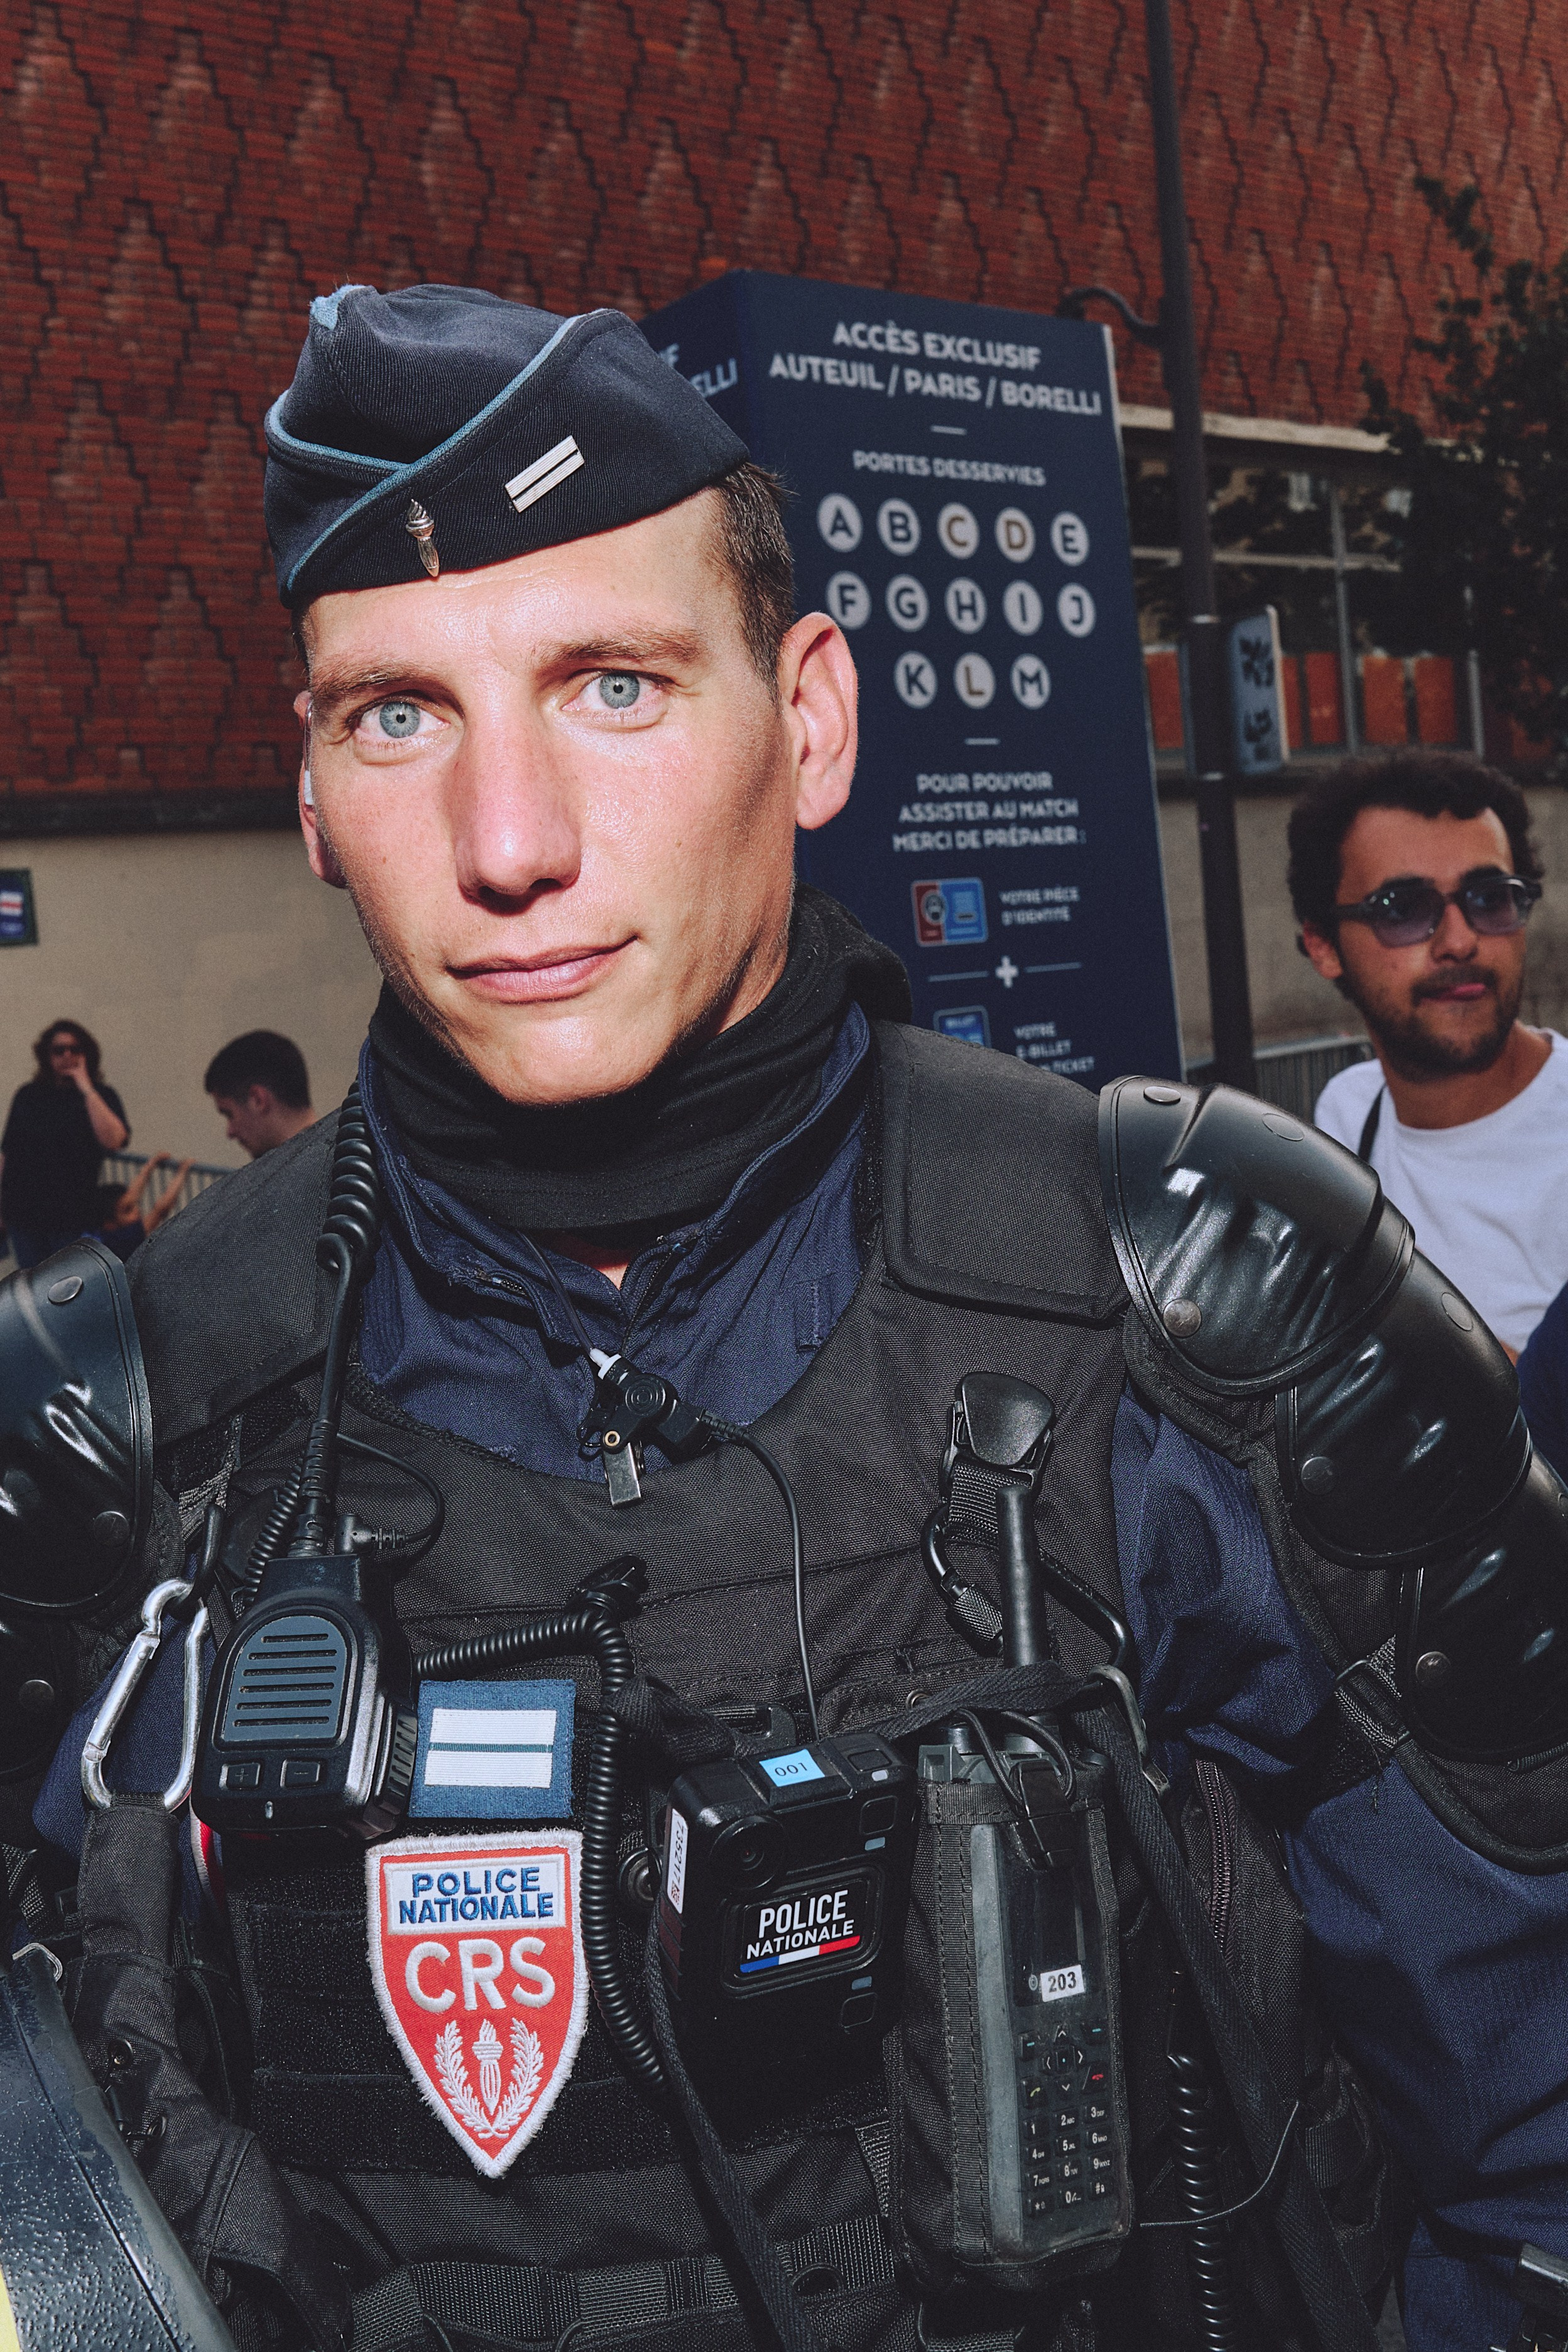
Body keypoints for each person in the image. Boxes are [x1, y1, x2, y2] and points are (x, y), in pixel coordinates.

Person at [6, 285, 1568, 2352]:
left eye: (614, 686)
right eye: (397, 716)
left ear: (810, 719)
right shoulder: (117, 1416)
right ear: (309, 792)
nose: (507, 841)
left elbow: (1530, 2137)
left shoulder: (1202, 1305)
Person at [1292, 751, 1568, 1358]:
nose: (1460, 941)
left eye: (1490, 898)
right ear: (1324, 945)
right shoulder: (1348, 1115)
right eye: (1403, 909)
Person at [0, 1020, 129, 1270]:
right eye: (59, 1050)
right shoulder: (29, 1095)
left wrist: (86, 1087)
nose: (67, 1056)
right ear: (47, 1056)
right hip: (24, 1215)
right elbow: (7, 1153)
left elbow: (114, 1141)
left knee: (68, 1284)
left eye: (75, 1049)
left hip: (72, 1217)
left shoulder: (101, 1095)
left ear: (87, 1054)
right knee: (33, 1283)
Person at [203, 1028, 317, 1158]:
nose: (230, 1132)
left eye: (229, 1114)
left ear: (258, 1100)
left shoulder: (304, 1166)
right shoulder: (334, 1154)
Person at [90, 1153, 195, 1262]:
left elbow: (130, 1198)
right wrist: (183, 1172)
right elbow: (161, 1211)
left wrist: (151, 1164)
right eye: (128, 1211)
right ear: (109, 1224)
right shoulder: (125, 1238)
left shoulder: (96, 1230)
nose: (137, 1211)